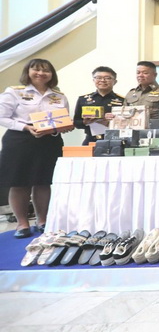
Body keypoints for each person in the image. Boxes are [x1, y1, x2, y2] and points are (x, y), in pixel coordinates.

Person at [0, 59, 74, 238]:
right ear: (28, 71)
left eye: (46, 70)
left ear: (52, 74)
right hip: (20, 140)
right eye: (36, 69)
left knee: (44, 181)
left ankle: (43, 220)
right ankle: (22, 223)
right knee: (20, 182)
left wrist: (64, 127)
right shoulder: (14, 92)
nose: (41, 73)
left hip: (49, 142)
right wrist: (26, 127)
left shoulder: (59, 96)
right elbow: (2, 117)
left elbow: (63, 120)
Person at [72, 66, 124, 145]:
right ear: (93, 80)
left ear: (115, 81)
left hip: (115, 140)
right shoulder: (83, 99)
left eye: (107, 78)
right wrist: (85, 122)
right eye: (98, 78)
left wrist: (111, 122)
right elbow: (76, 122)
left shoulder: (122, 100)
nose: (102, 80)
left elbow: (128, 123)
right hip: (91, 140)